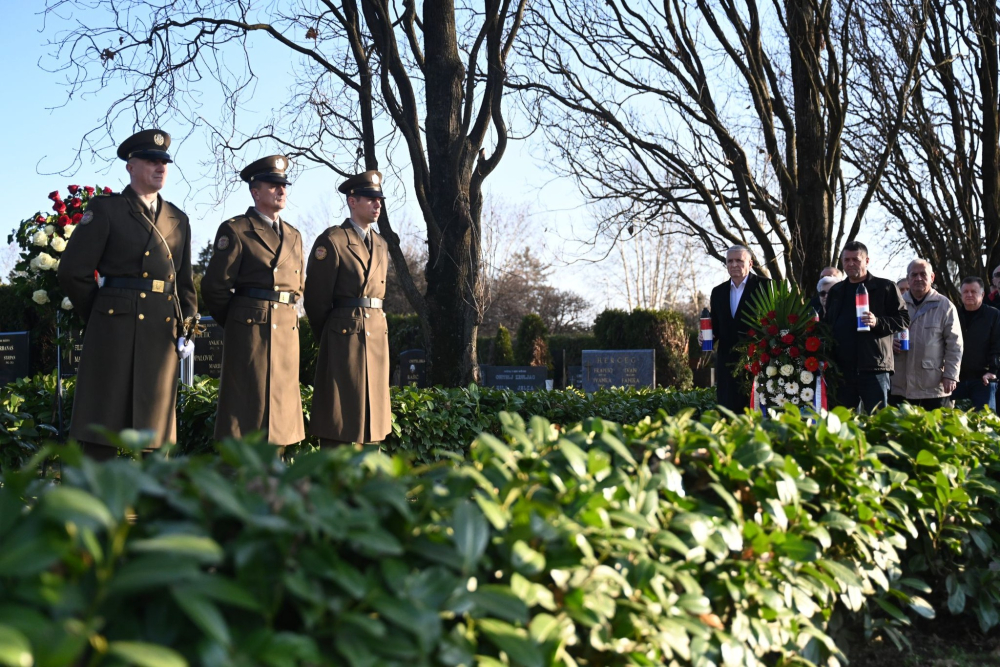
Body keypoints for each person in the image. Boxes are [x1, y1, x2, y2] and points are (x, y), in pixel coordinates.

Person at [58, 129, 197, 458]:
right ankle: (93, 503)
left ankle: (154, 504)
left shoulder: (178, 218)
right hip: (114, 330)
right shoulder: (108, 210)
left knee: (156, 427)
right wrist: (102, 311)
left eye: (164, 161)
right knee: (103, 419)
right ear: (130, 167)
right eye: (151, 161)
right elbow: (72, 271)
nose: (160, 167)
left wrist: (187, 328)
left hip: (161, 332)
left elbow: (185, 282)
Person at [201, 155, 305, 448]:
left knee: (282, 416)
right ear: (255, 191)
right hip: (251, 332)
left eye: (283, 185)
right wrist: (240, 322)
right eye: (273, 185)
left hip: (286, 331)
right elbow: (214, 288)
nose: (281, 191)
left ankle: (277, 483)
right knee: (247, 412)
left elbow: (297, 289)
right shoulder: (237, 230)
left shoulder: (294, 236)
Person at [303, 170, 391, 446]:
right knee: (340, 420)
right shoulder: (333, 241)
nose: (377, 204)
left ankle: (369, 481)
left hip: (376, 339)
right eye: (371, 198)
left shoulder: (381, 244)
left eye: (380, 199)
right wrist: (331, 337)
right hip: (343, 337)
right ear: (352, 201)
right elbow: (315, 301)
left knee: (373, 423)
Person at [823, 241, 909, 412]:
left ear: (867, 261)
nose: (851, 263)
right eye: (846, 260)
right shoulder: (837, 291)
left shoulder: (886, 287)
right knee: (842, 420)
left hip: (874, 367)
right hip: (842, 369)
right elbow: (828, 325)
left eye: (856, 259)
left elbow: (903, 319)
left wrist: (877, 322)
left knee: (878, 419)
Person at [889, 259, 963, 409]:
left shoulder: (945, 306)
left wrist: (950, 375)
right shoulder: (894, 305)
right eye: (914, 274)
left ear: (932, 277)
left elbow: (955, 345)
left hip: (934, 386)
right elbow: (881, 334)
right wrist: (890, 342)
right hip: (900, 386)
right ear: (908, 278)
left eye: (923, 274)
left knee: (937, 430)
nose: (918, 278)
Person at [707, 245, 769, 412]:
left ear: (750, 263)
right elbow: (716, 328)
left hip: (757, 364)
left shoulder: (766, 287)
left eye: (739, 260)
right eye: (730, 261)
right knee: (727, 415)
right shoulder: (718, 292)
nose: (734, 264)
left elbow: (774, 325)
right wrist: (707, 337)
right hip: (727, 366)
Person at [953, 277, 1000, 410]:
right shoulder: (953, 314)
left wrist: (992, 371)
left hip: (983, 379)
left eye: (973, 291)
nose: (969, 295)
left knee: (985, 422)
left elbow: (997, 345)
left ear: (983, 294)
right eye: (965, 291)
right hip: (955, 378)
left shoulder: (994, 315)